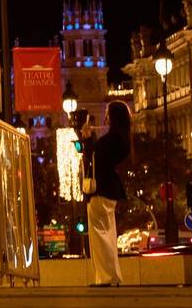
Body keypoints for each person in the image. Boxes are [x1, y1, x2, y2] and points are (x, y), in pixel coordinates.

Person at [82, 100, 132, 287]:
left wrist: (87, 138)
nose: (105, 116)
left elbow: (95, 158)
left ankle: (105, 277)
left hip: (100, 189)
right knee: (108, 233)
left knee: (99, 235)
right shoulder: (123, 138)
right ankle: (112, 275)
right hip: (111, 189)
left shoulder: (112, 138)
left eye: (108, 113)